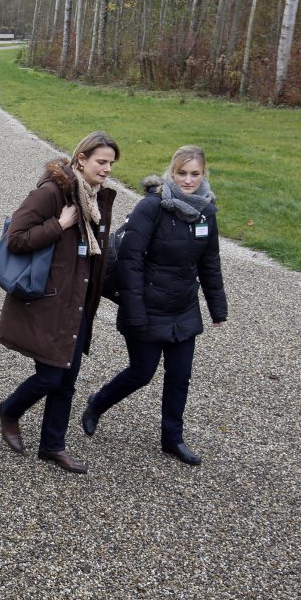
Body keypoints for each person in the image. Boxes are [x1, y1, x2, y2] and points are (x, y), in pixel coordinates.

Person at [80, 146, 227, 466]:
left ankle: (172, 438)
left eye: (195, 174)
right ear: (171, 173)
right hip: (146, 305)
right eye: (181, 173)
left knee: (180, 376)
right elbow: (130, 262)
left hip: (183, 308)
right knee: (141, 372)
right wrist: (133, 310)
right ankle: (97, 403)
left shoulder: (206, 212)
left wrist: (218, 308)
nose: (188, 180)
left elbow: (210, 262)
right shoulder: (152, 207)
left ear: (204, 175)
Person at [0, 132, 119, 474]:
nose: (107, 169)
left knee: (67, 378)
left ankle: (53, 445)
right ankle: (10, 410)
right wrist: (58, 224)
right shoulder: (53, 192)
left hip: (77, 305)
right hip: (48, 303)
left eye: (111, 163)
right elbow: (15, 239)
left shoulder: (96, 199)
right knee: (50, 376)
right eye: (101, 162)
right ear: (81, 160)